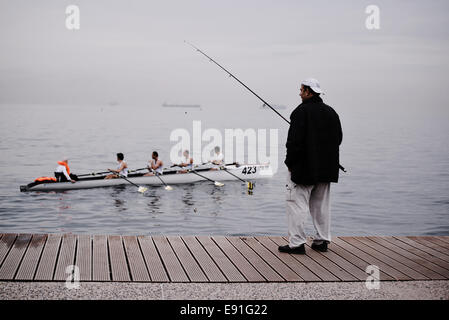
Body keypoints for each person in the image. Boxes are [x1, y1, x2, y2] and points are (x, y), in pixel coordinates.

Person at [279, 78, 342, 254]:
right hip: (326, 169)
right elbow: (338, 139)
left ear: (308, 92)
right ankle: (322, 241)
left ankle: (297, 243)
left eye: (301, 90)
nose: (299, 93)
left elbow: (293, 143)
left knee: (296, 204)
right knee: (321, 206)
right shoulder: (331, 112)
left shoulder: (300, 112)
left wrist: (290, 164)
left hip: (303, 170)